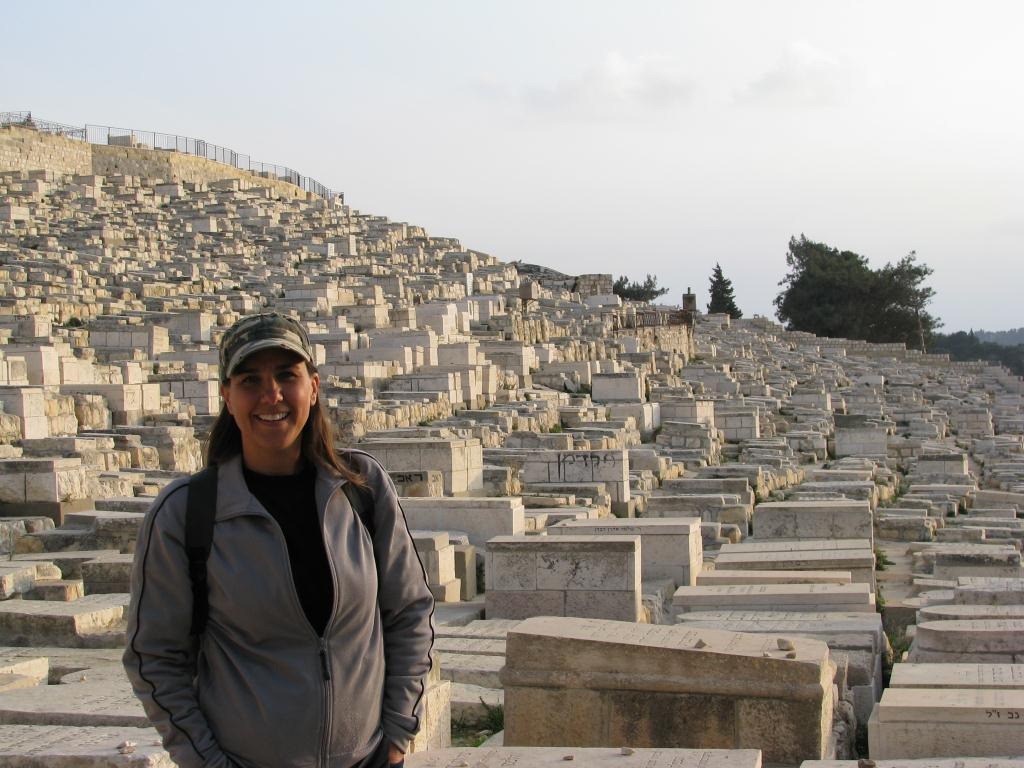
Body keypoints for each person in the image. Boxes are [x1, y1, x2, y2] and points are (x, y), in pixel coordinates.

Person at [123, 313, 435, 768]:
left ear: (313, 386)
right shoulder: (186, 513)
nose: (271, 395)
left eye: (286, 376)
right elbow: (153, 657)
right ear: (227, 396)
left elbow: (408, 611)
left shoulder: (363, 488)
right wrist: (207, 761)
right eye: (251, 380)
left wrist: (397, 732)